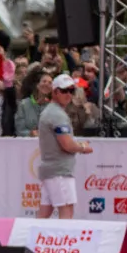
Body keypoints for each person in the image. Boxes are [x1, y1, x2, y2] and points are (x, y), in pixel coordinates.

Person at [36, 74, 93, 220]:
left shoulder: (52, 112)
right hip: (59, 171)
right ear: (55, 91)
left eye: (71, 90)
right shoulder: (57, 114)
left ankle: (30, 242)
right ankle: (62, 242)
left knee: (44, 212)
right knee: (66, 211)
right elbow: (67, 144)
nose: (68, 94)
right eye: (64, 90)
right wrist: (82, 147)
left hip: (51, 169)